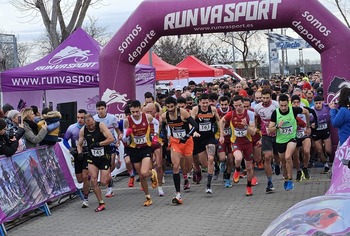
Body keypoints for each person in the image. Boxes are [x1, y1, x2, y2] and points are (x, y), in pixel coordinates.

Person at [268, 94, 310, 191]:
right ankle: (286, 178)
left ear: (288, 104)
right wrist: (278, 126)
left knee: (288, 157)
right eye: (281, 105)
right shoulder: (275, 113)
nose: (283, 108)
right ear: (278, 104)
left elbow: (307, 112)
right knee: (283, 162)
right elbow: (270, 130)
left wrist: (307, 126)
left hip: (292, 138)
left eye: (285, 105)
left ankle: (290, 179)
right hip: (280, 140)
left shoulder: (294, 110)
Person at [122, 100, 159, 206]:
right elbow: (124, 140)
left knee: (144, 172)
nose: (135, 114)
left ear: (140, 109)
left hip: (145, 148)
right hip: (134, 149)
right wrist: (127, 135)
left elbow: (156, 123)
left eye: (137, 111)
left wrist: (155, 134)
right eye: (133, 112)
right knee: (142, 176)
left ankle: (152, 173)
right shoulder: (127, 121)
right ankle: (148, 197)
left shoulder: (147, 117)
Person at [161, 97, 198, 204]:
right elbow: (162, 127)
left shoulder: (183, 113)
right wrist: (166, 137)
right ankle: (178, 194)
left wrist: (187, 136)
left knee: (188, 166)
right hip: (175, 142)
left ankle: (187, 175)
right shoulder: (165, 116)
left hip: (187, 142)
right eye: (168, 107)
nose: (170, 109)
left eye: (172, 107)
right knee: (176, 166)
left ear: (176, 106)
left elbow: (195, 126)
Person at [219, 95, 257, 196]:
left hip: (248, 143)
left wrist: (246, 126)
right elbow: (221, 121)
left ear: (243, 104)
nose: (238, 108)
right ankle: (237, 170)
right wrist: (221, 135)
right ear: (233, 105)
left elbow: (253, 132)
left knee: (249, 168)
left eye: (240, 105)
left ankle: (248, 186)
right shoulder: (231, 114)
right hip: (236, 142)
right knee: (238, 158)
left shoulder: (250, 114)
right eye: (236, 106)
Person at [77, 113, 114, 212]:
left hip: (104, 157)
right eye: (88, 125)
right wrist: (79, 153)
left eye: (92, 124)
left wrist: (99, 144)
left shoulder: (100, 126)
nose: (91, 127)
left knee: (103, 182)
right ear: (85, 124)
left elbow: (111, 139)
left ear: (94, 120)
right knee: (93, 180)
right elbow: (79, 144)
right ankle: (101, 203)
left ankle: (109, 180)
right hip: (92, 158)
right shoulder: (83, 130)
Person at [191, 93, 220, 194]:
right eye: (203, 103)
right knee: (204, 163)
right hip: (198, 138)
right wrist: (193, 131)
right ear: (199, 102)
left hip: (209, 137)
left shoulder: (212, 109)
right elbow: (190, 121)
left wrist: (221, 134)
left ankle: (208, 185)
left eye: (207, 103)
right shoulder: (195, 110)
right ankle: (213, 168)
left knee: (211, 158)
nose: (205, 105)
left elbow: (218, 120)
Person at [93, 101, 121, 198]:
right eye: (98, 109)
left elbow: (117, 130)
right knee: (107, 166)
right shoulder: (94, 119)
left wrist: (119, 139)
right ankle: (110, 188)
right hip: (101, 145)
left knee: (111, 165)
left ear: (106, 109)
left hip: (112, 143)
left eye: (102, 109)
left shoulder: (112, 118)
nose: (100, 111)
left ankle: (109, 175)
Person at [63, 109, 90, 208]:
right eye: (78, 117)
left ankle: (85, 199)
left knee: (85, 176)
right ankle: (88, 179)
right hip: (77, 154)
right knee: (79, 180)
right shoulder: (72, 128)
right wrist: (70, 149)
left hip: (87, 154)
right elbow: (65, 140)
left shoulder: (89, 126)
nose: (80, 120)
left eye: (82, 118)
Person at [254, 88, 280, 193]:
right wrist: (257, 128)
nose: (265, 100)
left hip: (277, 134)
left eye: (267, 98)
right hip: (265, 135)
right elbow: (256, 119)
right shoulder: (257, 107)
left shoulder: (276, 105)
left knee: (277, 155)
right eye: (263, 98)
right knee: (267, 157)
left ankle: (277, 164)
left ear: (270, 97)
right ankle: (269, 182)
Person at [311, 96, 332, 174]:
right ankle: (325, 165)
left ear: (322, 102)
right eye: (316, 103)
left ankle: (327, 156)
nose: (318, 105)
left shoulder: (327, 107)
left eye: (320, 103)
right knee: (319, 150)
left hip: (325, 130)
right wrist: (311, 125)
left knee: (328, 150)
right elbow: (308, 121)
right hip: (316, 132)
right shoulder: (312, 110)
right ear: (314, 103)